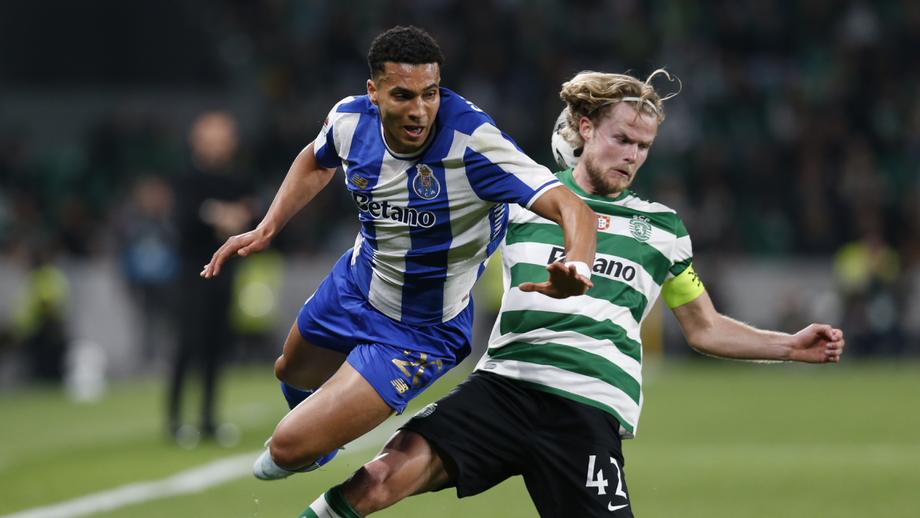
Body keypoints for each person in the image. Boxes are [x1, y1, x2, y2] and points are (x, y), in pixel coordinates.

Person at [293, 70, 846, 518]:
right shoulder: (521, 201)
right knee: (377, 479)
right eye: (621, 139)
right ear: (585, 128)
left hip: (585, 407)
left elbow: (704, 328)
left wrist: (789, 346)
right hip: (502, 387)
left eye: (643, 146)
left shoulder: (664, 229)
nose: (632, 155)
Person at [200, 26, 597, 479]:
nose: (420, 110)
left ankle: (320, 435)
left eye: (430, 94)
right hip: (354, 286)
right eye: (403, 96)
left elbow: (574, 209)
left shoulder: (475, 143)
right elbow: (316, 158)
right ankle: (322, 431)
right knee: (289, 372)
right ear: (374, 92)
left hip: (422, 329)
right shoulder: (350, 120)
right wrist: (268, 226)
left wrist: (576, 264)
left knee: (283, 452)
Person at [169, 110, 255, 444]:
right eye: (212, 139)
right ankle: (175, 419)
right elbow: (185, 217)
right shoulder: (185, 176)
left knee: (218, 345)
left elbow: (250, 213)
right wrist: (219, 214)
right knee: (189, 343)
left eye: (224, 138)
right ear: (197, 141)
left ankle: (208, 418)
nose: (219, 145)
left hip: (227, 271)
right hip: (193, 271)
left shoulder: (239, 178)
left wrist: (225, 214)